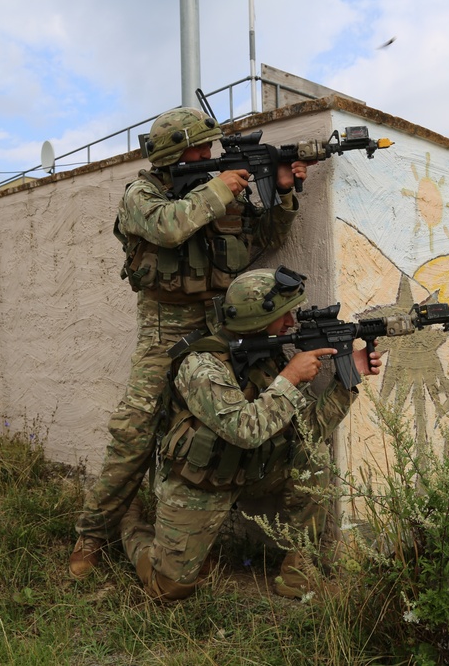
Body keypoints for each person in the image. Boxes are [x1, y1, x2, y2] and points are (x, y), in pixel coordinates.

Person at [69, 107, 315, 578]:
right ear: (172, 155)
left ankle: (185, 535)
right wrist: (222, 185)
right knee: (136, 431)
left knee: (220, 424)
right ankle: (93, 534)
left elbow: (262, 236)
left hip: (223, 325)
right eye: (199, 149)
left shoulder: (217, 187)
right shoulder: (141, 195)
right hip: (165, 326)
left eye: (209, 148)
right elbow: (170, 226)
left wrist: (282, 191)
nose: (209, 155)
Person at [119, 266, 381, 601]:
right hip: (201, 483)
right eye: (284, 315)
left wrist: (348, 380)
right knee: (169, 588)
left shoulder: (268, 351)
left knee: (311, 457)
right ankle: (129, 524)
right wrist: (289, 378)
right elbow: (244, 429)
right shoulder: (201, 367)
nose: (291, 323)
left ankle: (300, 575)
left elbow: (306, 430)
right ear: (256, 319)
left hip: (251, 470)